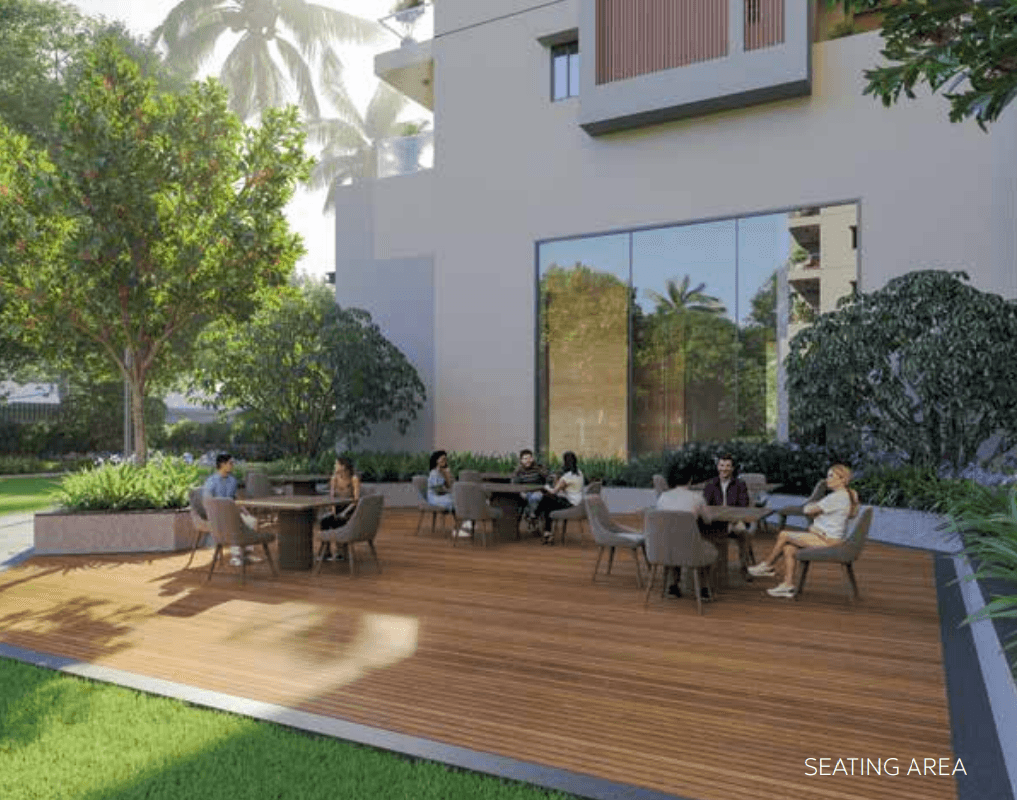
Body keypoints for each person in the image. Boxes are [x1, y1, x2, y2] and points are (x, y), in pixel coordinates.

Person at [748, 464, 860, 598]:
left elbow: (807, 510)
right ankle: (787, 584)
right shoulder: (849, 494)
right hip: (828, 537)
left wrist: (814, 511)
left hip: (829, 541)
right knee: (789, 548)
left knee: (784, 534)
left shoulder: (836, 497)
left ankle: (767, 565)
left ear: (842, 480)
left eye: (831, 476)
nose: (827, 480)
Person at [656, 461, 707, 597]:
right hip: (690, 549)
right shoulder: (697, 498)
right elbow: (708, 520)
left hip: (665, 549)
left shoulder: (662, 497)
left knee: (673, 540)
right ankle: (703, 588)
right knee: (706, 546)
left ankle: (673, 585)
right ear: (690, 480)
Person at [700, 453, 752, 580]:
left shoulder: (740, 484)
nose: (724, 468)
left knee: (743, 533)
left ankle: (744, 568)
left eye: (728, 466)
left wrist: (732, 519)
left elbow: (743, 505)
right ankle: (708, 568)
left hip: (733, 520)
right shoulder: (710, 484)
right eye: (722, 465)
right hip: (715, 522)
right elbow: (706, 505)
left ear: (732, 468)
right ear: (718, 467)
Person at [202, 453, 259, 566]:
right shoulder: (211, 481)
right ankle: (235, 557)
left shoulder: (232, 480)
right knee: (234, 523)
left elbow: (235, 498)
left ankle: (247, 553)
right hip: (218, 515)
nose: (233, 465)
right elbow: (207, 500)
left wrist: (244, 510)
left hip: (232, 512)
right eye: (230, 463)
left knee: (252, 521)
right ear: (222, 464)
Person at [533, 450, 584, 545]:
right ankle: (547, 533)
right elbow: (562, 488)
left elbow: (554, 490)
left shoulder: (567, 477)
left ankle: (535, 514)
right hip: (576, 502)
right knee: (548, 505)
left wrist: (546, 486)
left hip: (569, 503)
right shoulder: (579, 473)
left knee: (547, 497)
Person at [317, 456, 361, 561]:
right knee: (324, 521)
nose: (334, 466)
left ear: (343, 466)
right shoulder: (334, 478)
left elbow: (356, 500)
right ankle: (326, 552)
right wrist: (333, 510)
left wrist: (345, 512)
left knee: (340, 520)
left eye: (336, 464)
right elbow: (332, 498)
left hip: (350, 509)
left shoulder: (353, 479)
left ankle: (341, 552)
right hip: (338, 508)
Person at [428, 450, 469, 537]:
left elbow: (450, 485)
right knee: (457, 502)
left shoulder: (444, 471)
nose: (445, 461)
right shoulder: (434, 473)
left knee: (461, 500)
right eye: (442, 459)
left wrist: (448, 475)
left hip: (443, 495)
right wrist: (446, 477)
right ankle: (458, 529)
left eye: (445, 459)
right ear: (436, 460)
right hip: (435, 497)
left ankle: (461, 526)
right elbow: (439, 490)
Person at [511, 448, 549, 533]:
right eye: (524, 459)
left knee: (535, 496)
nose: (527, 461)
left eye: (529, 458)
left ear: (532, 458)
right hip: (525, 493)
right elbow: (514, 483)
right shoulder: (519, 470)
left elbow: (547, 477)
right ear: (521, 460)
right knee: (528, 496)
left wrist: (541, 469)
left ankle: (530, 514)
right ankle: (532, 515)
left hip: (537, 492)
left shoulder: (538, 467)